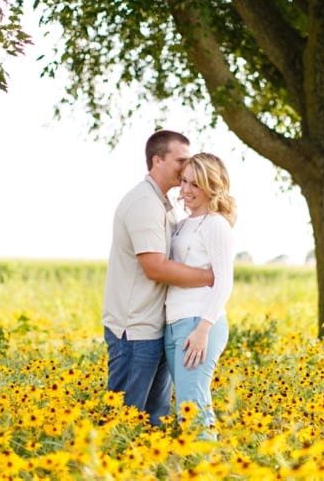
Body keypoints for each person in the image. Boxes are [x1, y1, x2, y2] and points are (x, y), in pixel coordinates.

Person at [102, 130, 215, 427]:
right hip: (134, 333)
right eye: (181, 160)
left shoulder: (163, 204)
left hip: (154, 329)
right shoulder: (144, 204)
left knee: (153, 422)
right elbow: (155, 267)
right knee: (122, 425)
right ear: (157, 160)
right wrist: (208, 277)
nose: (187, 167)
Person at [164, 152, 236, 439]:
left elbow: (224, 282)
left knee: (193, 409)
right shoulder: (183, 225)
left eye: (196, 184)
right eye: (184, 182)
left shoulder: (216, 224)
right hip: (174, 323)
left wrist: (202, 329)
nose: (186, 190)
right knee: (187, 406)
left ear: (212, 185)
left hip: (198, 323)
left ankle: (205, 468)